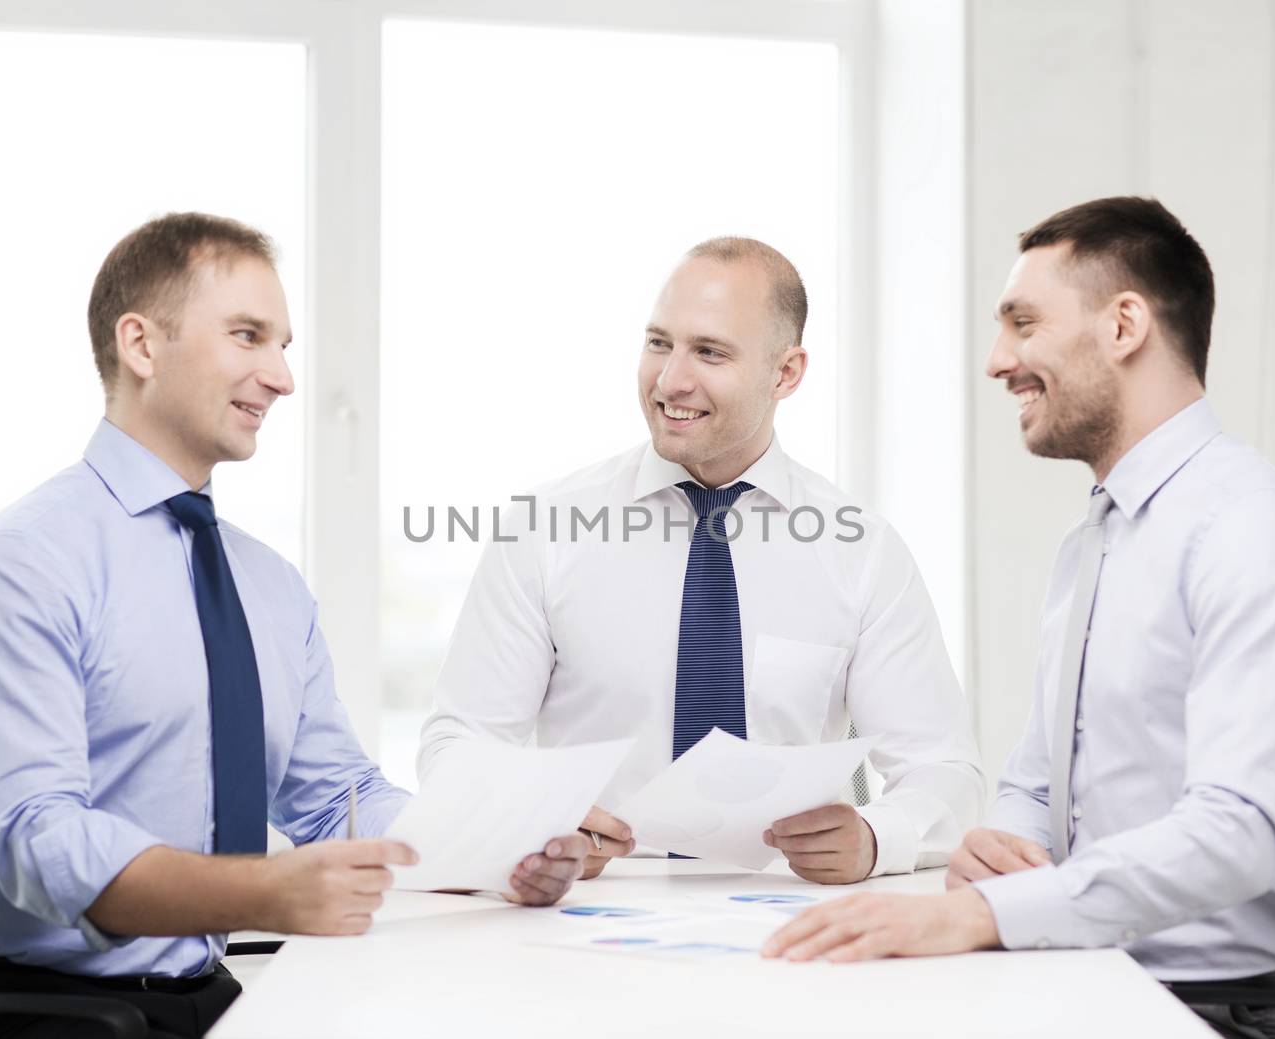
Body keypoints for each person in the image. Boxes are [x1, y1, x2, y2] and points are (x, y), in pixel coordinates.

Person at [0, 213, 589, 1038]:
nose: (282, 377)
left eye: (284, 345)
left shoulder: (266, 585)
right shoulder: (23, 562)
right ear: (142, 346)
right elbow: (42, 844)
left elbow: (340, 796)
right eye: (248, 336)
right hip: (28, 1012)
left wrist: (495, 856)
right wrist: (261, 891)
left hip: (202, 994)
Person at [761, 197, 1275, 1038]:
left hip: (1240, 1011)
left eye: (1022, 322)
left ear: (1125, 325)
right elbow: (1035, 785)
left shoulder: (1251, 531)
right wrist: (996, 852)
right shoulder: (1096, 539)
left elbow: (1236, 834)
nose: (997, 360)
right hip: (1095, 979)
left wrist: (985, 918)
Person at [419, 237, 983, 884]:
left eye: (709, 352)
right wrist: (530, 822)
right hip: (584, 920)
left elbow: (945, 770)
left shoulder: (861, 551)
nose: (669, 380)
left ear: (787, 373)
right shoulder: (544, 532)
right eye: (659, 343)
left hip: (788, 916)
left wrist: (876, 838)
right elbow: (457, 745)